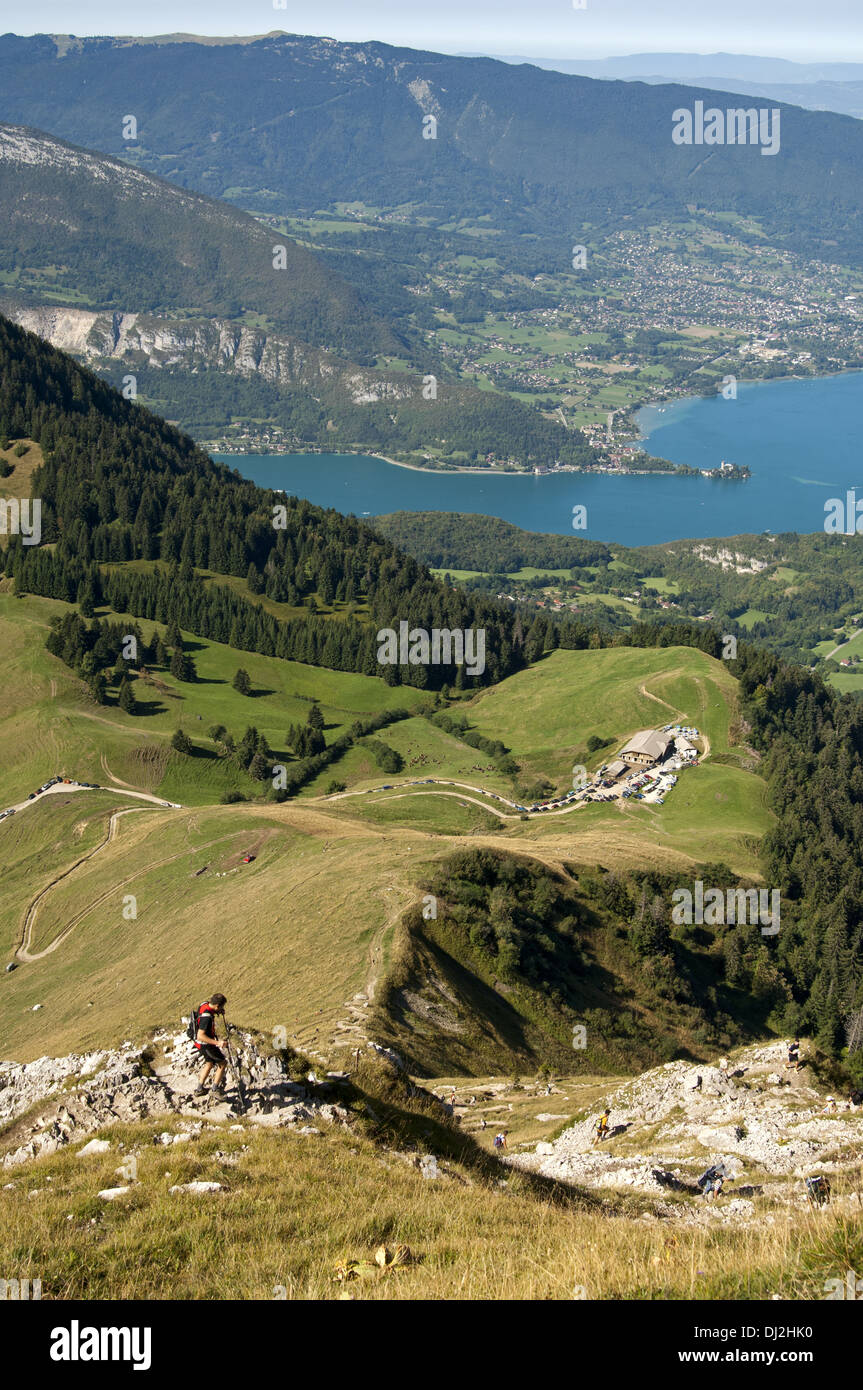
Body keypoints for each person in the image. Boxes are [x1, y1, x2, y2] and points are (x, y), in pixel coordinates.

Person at [193, 992, 229, 1096]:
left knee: (209, 1063)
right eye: (221, 1007)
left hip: (199, 1044)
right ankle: (214, 1090)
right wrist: (218, 1043)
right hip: (206, 1044)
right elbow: (200, 1035)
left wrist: (218, 1011)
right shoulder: (207, 1018)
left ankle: (199, 1089)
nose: (222, 1008)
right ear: (217, 1006)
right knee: (223, 1063)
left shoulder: (204, 1004)